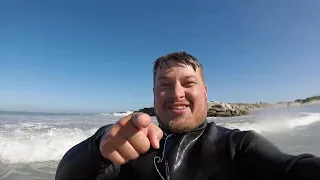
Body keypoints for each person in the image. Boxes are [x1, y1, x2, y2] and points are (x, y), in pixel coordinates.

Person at [55, 51, 320, 180]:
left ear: (205, 92)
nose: (177, 93)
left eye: (188, 83)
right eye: (165, 85)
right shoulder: (125, 146)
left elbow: (292, 168)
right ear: (154, 94)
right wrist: (97, 147)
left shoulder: (238, 146)